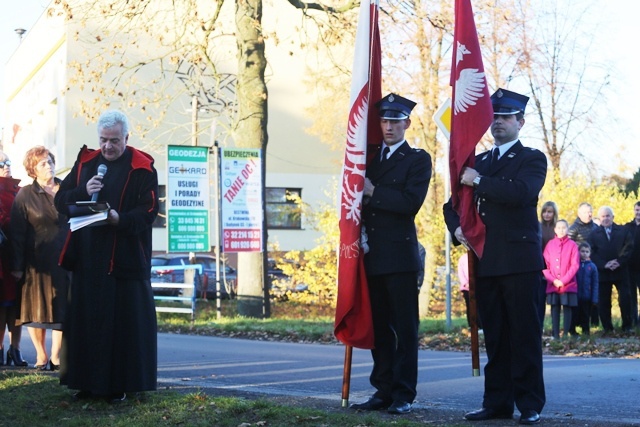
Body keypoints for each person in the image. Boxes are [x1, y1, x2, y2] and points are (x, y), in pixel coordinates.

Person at [443, 88, 547, 425]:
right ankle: (497, 402)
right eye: (495, 117)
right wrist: (457, 229)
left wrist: (480, 181)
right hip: (485, 262)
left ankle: (529, 403)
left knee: (524, 335)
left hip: (519, 263)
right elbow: (452, 205)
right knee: (497, 337)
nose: (498, 122)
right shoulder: (480, 160)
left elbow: (522, 192)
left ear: (521, 122)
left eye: (505, 117)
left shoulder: (531, 158)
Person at [54, 110, 159, 403]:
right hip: (88, 260)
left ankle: (117, 386)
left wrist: (119, 219)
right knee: (86, 325)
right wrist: (81, 190)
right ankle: (84, 383)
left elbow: (149, 212)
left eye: (114, 141)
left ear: (126, 138)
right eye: (103, 140)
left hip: (123, 261)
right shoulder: (86, 163)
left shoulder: (143, 168)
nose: (108, 147)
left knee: (119, 328)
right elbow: (60, 200)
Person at [349, 93, 431, 415]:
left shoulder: (417, 160)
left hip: (399, 257)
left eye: (395, 121)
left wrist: (373, 192)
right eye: (384, 121)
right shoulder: (367, 158)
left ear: (406, 124)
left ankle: (403, 394)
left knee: (404, 330)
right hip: (372, 255)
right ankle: (382, 390)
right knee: (380, 328)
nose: (388, 127)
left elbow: (410, 203)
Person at [10, 146, 70, 370]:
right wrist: (16, 266)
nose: (49, 166)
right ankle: (41, 355)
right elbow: (17, 233)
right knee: (36, 310)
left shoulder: (67, 189)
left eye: (51, 162)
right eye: (43, 163)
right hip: (36, 262)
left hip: (65, 258)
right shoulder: (25, 194)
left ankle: (55, 356)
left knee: (61, 311)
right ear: (33, 170)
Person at [0, 152, 28, 367]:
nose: (6, 166)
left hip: (19, 255)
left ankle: (15, 349)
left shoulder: (19, 191)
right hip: (2, 256)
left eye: (8, 162)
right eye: (1, 163)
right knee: (2, 304)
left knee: (17, 305)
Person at [588, 206, 634, 333]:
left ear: (613, 217)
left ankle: (627, 326)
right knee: (604, 301)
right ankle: (607, 328)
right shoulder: (593, 234)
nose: (606, 218)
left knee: (625, 298)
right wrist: (604, 264)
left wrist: (619, 262)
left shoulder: (623, 231)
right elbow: (591, 252)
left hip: (621, 270)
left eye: (608, 216)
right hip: (603, 272)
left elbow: (629, 247)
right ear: (599, 218)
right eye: (603, 216)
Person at [542, 220, 580, 339]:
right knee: (555, 308)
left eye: (564, 227)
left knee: (567, 307)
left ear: (568, 229)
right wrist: (553, 280)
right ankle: (555, 334)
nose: (561, 230)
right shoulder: (550, 244)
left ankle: (566, 334)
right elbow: (545, 265)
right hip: (553, 284)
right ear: (555, 229)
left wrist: (563, 281)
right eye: (559, 227)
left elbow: (575, 265)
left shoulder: (572, 245)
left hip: (567, 284)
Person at [568, 202, 600, 330]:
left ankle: (593, 325)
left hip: (593, 265)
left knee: (592, 296)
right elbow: (570, 248)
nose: (589, 214)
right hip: (577, 267)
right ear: (579, 213)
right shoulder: (573, 229)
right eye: (586, 212)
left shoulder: (596, 228)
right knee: (578, 302)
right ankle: (574, 326)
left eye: (590, 211)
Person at [538, 201, 559, 327]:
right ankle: (539, 326)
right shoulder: (537, 226)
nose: (546, 214)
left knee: (556, 301)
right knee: (540, 300)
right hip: (540, 267)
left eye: (549, 212)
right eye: (544, 211)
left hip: (556, 269)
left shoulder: (558, 228)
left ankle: (556, 329)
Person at [576, 242, 599, 335]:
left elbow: (595, 283)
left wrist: (594, 299)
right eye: (582, 251)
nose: (584, 253)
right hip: (576, 295)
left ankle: (586, 332)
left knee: (586, 315)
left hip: (587, 296)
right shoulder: (575, 264)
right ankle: (573, 331)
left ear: (590, 253)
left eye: (587, 251)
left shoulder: (592, 266)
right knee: (575, 314)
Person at [624, 201, 640, 327]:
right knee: (631, 296)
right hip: (629, 267)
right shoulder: (627, 227)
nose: (638, 212)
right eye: (637, 209)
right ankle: (634, 321)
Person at [457, 252, 482, 329]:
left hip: (478, 286)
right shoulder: (463, 258)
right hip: (467, 288)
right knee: (470, 306)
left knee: (479, 306)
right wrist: (465, 283)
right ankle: (472, 325)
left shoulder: (479, 256)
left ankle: (481, 325)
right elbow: (460, 272)